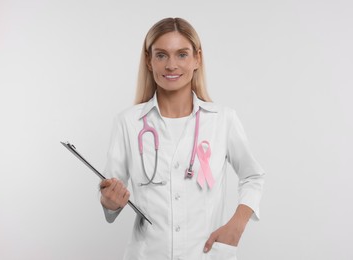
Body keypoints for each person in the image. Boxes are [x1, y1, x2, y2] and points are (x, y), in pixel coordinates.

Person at [99, 17, 265, 260]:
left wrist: (236, 226)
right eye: (161, 55)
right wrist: (109, 200)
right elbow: (110, 202)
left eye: (182, 54)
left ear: (197, 58)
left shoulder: (223, 119)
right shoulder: (128, 122)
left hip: (205, 254)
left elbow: (253, 176)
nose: (171, 65)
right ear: (149, 60)